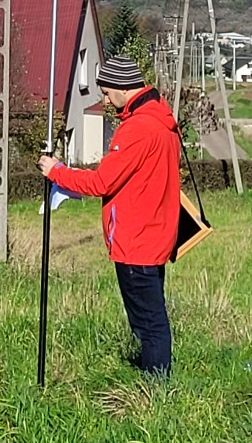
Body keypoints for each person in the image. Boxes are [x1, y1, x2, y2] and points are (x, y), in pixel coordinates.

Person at [39, 54, 181, 378]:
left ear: (122, 87)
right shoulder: (163, 121)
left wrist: (57, 171)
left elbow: (102, 182)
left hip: (136, 240)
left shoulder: (138, 129)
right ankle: (156, 380)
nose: (104, 100)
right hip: (155, 234)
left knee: (148, 324)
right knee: (151, 319)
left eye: (105, 92)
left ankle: (156, 388)